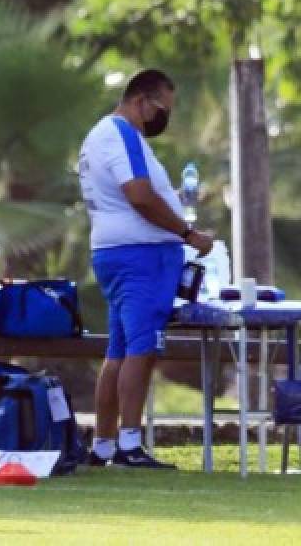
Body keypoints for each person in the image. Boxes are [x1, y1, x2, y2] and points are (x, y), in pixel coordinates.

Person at [78, 68, 214, 469]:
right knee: (143, 349)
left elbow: (139, 194)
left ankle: (104, 445)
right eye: (162, 109)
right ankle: (129, 444)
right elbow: (138, 194)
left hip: (116, 251)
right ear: (141, 101)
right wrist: (187, 233)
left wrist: (172, 201)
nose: (164, 117)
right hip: (140, 257)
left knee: (118, 350)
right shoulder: (121, 133)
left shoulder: (103, 136)